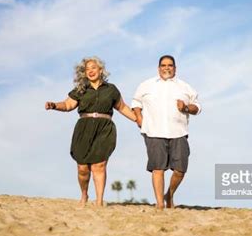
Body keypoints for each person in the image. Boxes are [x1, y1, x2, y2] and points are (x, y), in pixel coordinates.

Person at [45, 56, 136, 207]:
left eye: (93, 68)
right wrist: (54, 105)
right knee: (82, 168)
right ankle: (84, 194)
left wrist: (139, 120)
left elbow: (123, 107)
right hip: (84, 129)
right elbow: (67, 105)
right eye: (87, 69)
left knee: (99, 165)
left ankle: (99, 200)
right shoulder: (81, 89)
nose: (90, 71)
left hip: (104, 128)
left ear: (101, 70)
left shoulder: (111, 89)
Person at [132, 55, 201, 209]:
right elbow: (136, 102)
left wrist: (186, 107)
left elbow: (197, 107)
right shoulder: (146, 85)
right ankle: (159, 204)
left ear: (175, 68)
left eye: (170, 65)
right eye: (163, 65)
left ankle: (169, 195)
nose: (166, 68)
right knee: (158, 168)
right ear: (159, 68)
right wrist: (138, 117)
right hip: (154, 132)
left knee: (180, 170)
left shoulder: (185, 87)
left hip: (179, 132)